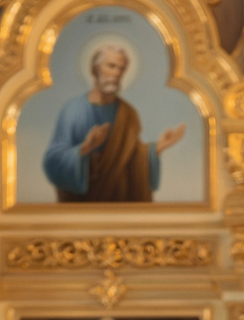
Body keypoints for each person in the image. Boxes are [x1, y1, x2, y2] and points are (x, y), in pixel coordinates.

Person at [41, 43, 186, 203]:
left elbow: (132, 157)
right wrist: (85, 148)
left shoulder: (128, 113)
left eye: (121, 68)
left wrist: (157, 148)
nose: (116, 73)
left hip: (120, 203)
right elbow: (53, 161)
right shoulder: (73, 110)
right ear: (95, 69)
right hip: (82, 207)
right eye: (111, 66)